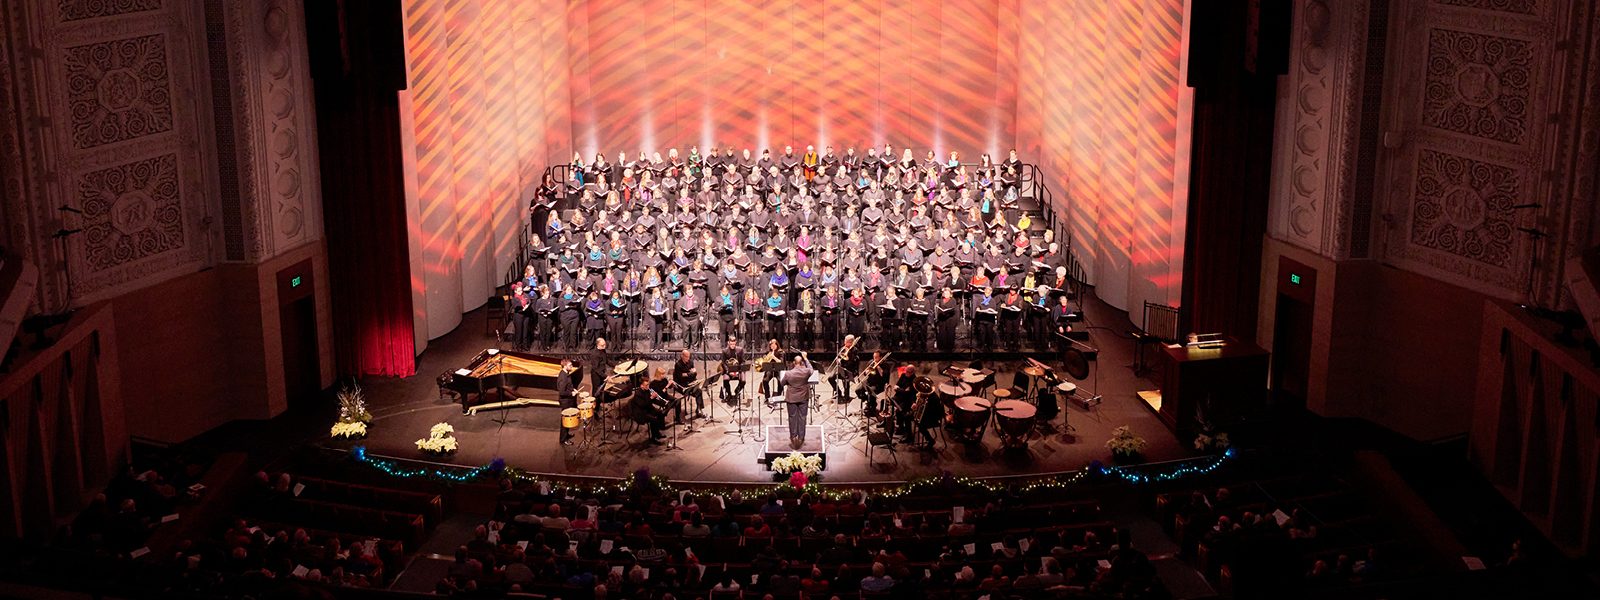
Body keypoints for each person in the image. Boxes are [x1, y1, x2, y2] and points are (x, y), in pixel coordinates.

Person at [781, 349, 816, 449]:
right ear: (801, 363)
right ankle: (801, 437)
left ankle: (793, 436)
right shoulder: (806, 371)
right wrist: (806, 358)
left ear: (793, 363)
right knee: (802, 417)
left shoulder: (788, 373)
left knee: (792, 417)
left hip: (791, 398)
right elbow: (811, 369)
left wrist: (789, 383)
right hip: (803, 397)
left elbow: (782, 383)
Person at [673, 348, 703, 419]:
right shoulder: (678, 364)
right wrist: (690, 373)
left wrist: (689, 374)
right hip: (681, 385)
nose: (688, 358)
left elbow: (694, 374)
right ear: (682, 356)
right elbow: (680, 377)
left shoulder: (691, 362)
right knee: (679, 397)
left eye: (689, 356)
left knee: (699, 391)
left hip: (690, 383)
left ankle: (699, 409)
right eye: (686, 357)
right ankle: (678, 417)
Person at [556, 359, 578, 445]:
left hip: (568, 400)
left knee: (568, 419)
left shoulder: (565, 373)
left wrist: (573, 389)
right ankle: (563, 439)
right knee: (565, 420)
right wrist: (571, 393)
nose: (572, 367)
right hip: (565, 401)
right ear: (565, 366)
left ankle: (566, 435)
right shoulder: (563, 377)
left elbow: (568, 386)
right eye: (570, 365)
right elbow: (561, 392)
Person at [720, 336, 745, 405]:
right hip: (728, 370)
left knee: (743, 380)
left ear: (735, 343)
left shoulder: (740, 350)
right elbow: (723, 363)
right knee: (725, 380)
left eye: (734, 344)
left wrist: (738, 370)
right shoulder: (724, 351)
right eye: (731, 344)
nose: (732, 346)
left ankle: (737, 391)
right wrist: (729, 372)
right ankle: (729, 394)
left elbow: (743, 361)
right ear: (728, 343)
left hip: (738, 370)